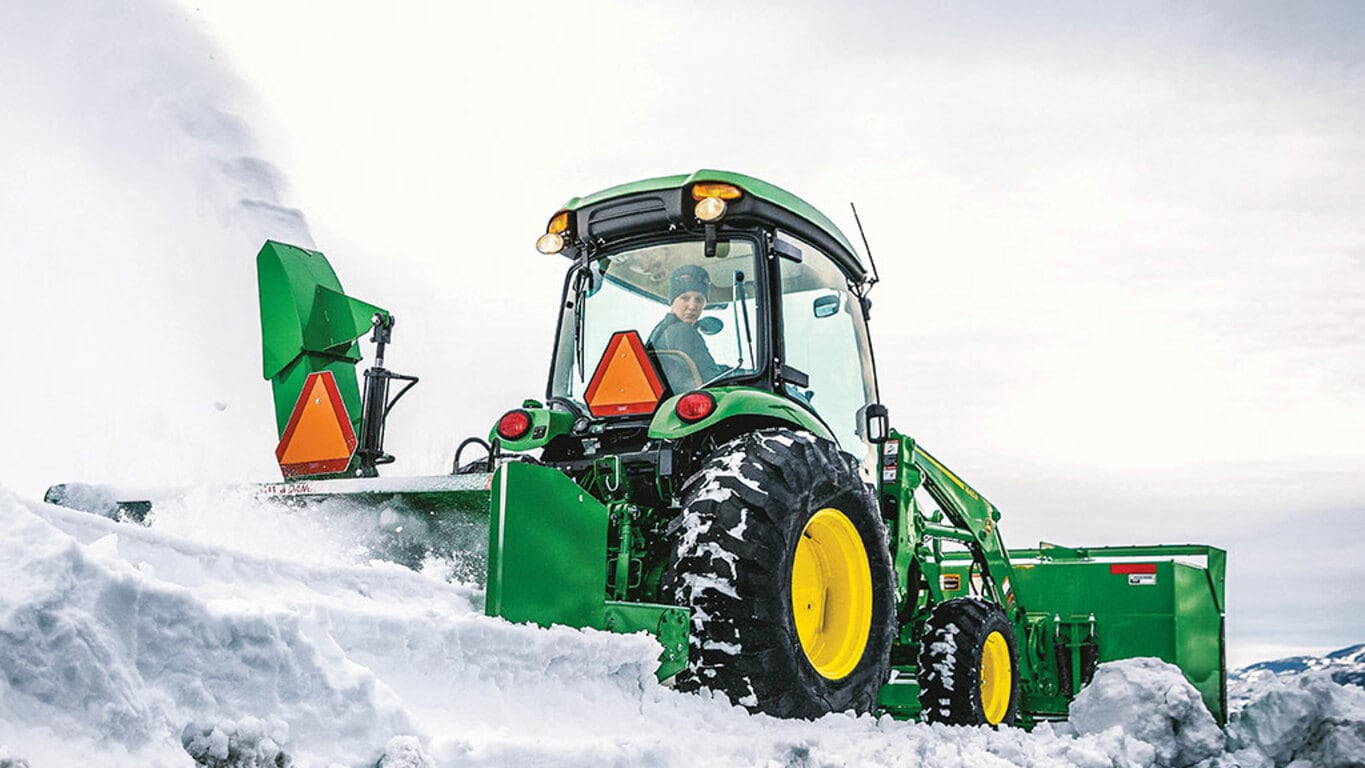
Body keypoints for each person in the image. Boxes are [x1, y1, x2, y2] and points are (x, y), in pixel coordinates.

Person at [647, 264, 725, 387]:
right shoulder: (683, 331)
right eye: (685, 298)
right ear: (672, 301)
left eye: (699, 300)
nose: (693, 306)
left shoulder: (661, 331)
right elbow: (711, 378)